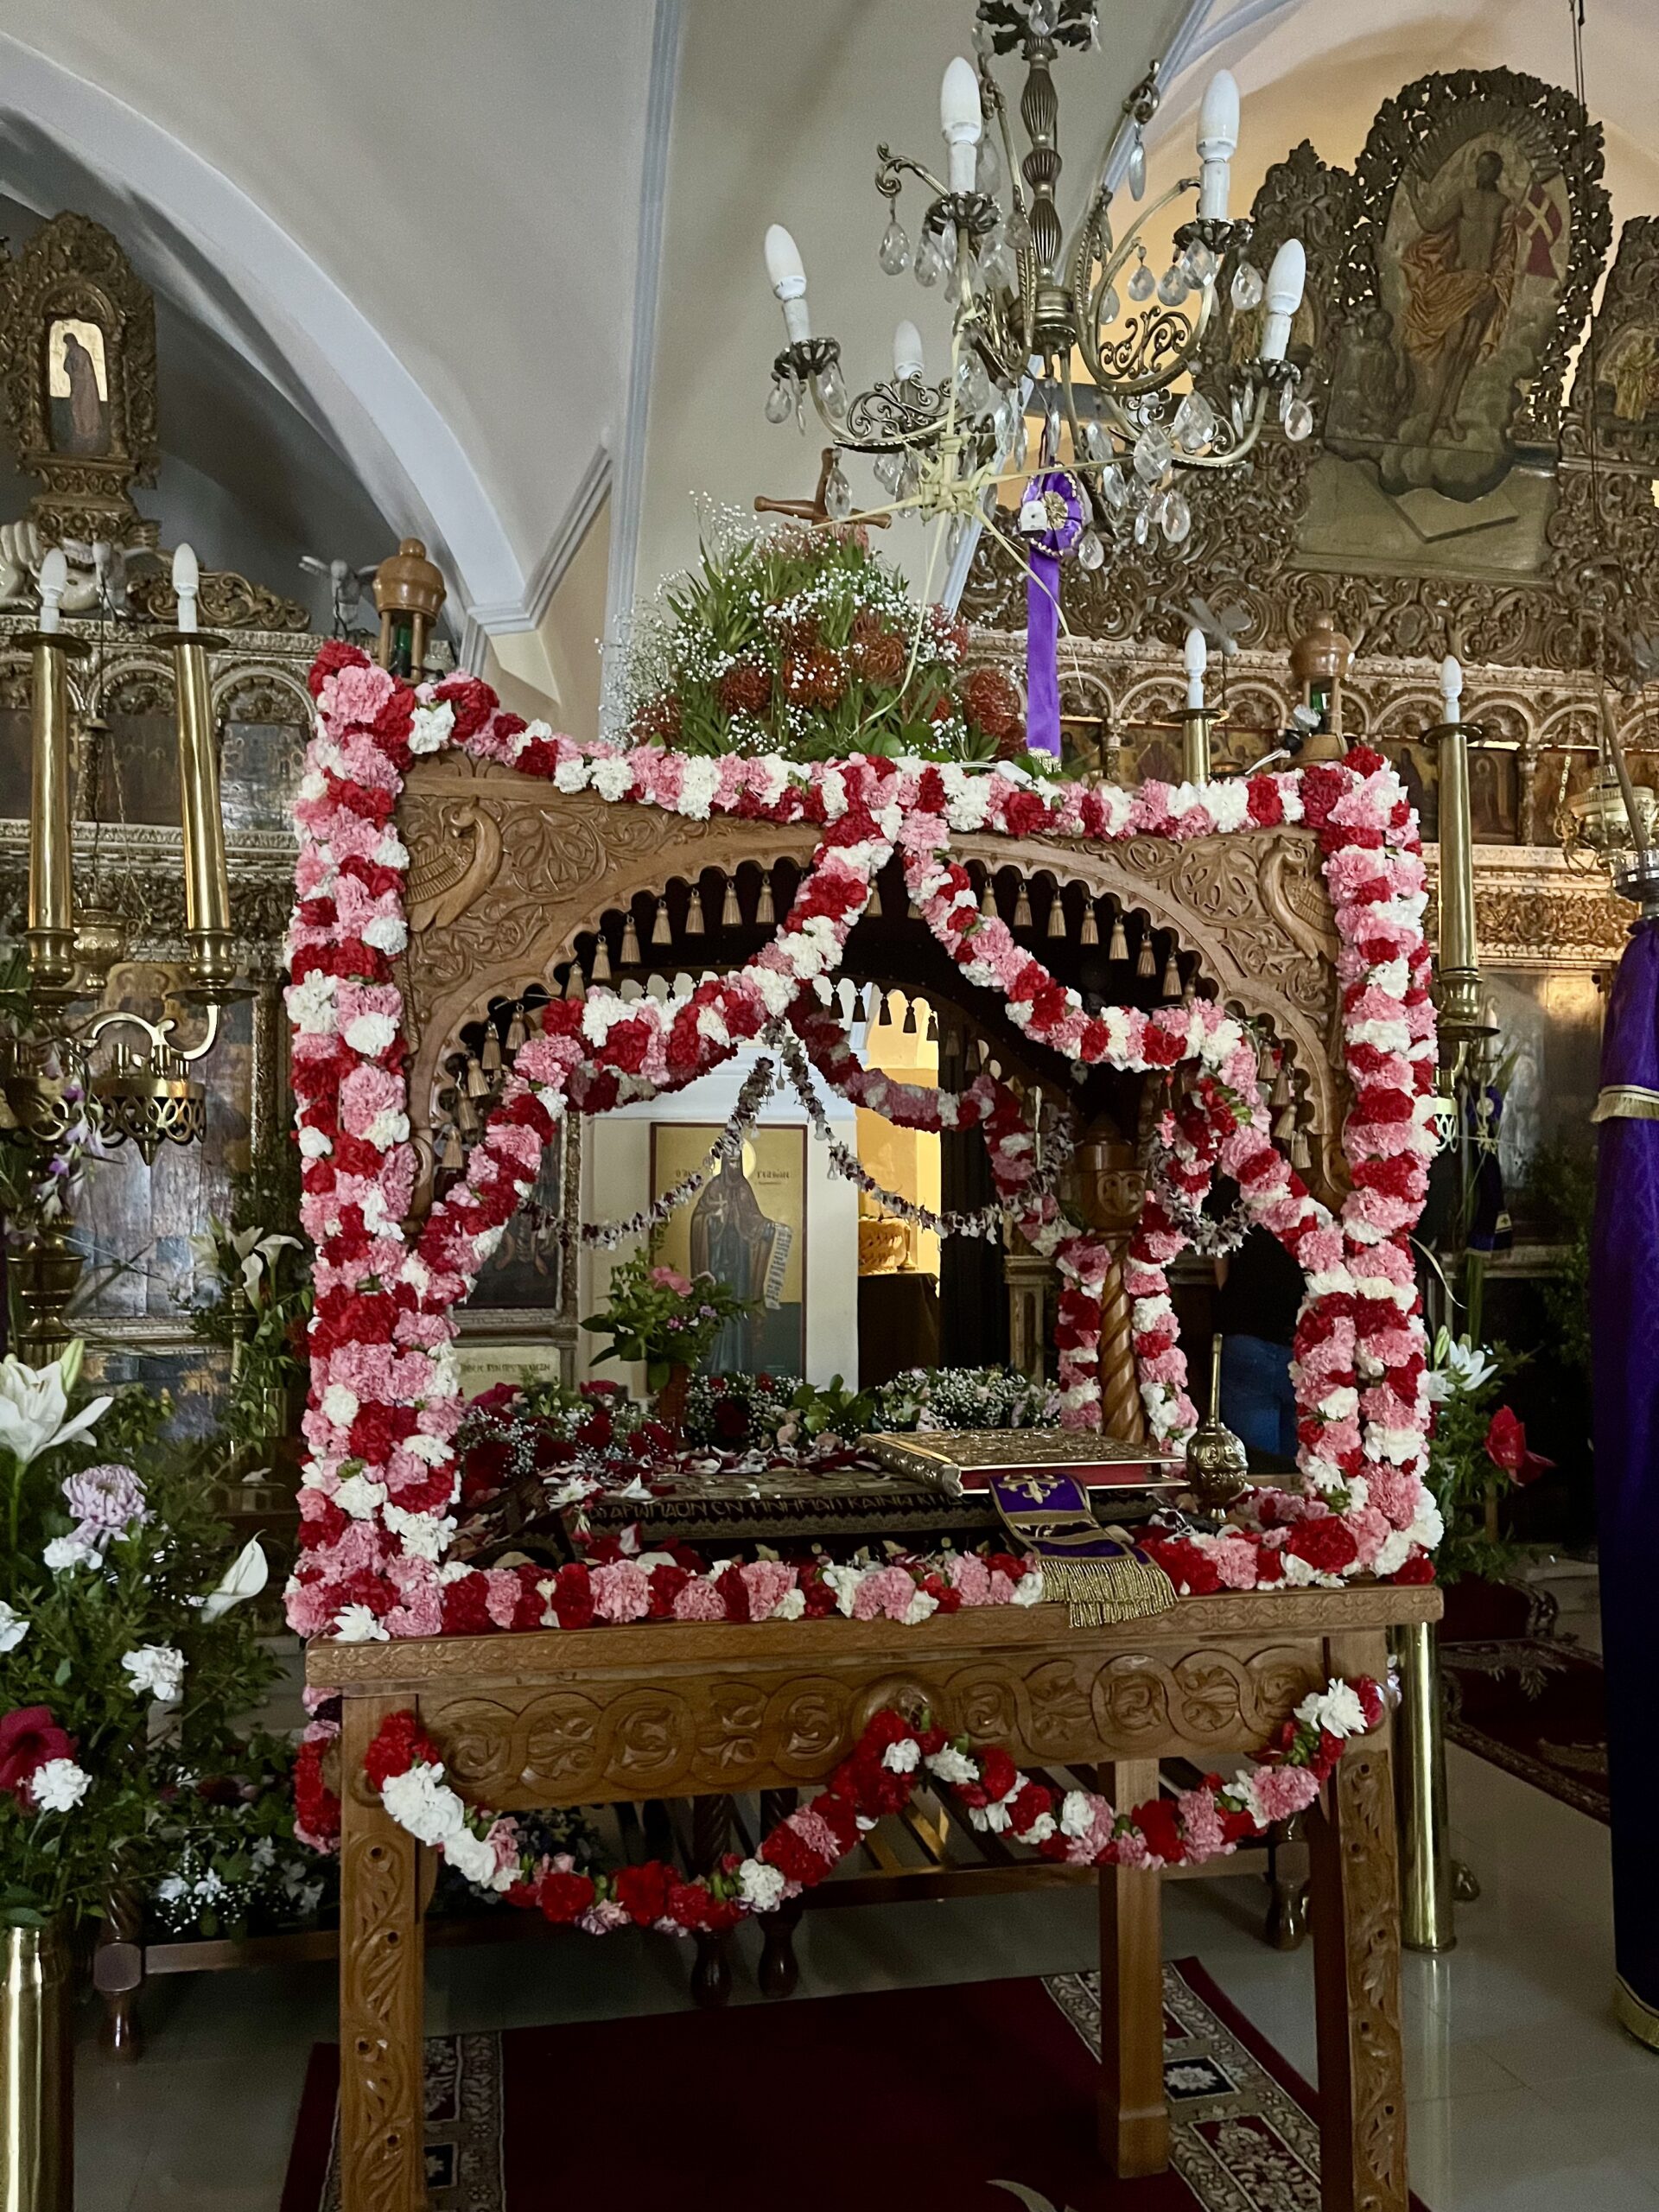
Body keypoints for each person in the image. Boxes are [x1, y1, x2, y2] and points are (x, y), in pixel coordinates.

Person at [1214, 1224, 1305, 1463]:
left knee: (1251, 1465)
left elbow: (1218, 1243)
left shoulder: (1239, 1203)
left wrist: (1229, 1297)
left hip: (1246, 1332)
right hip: (1300, 1340)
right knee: (1302, 1465)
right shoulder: (1322, 1201)